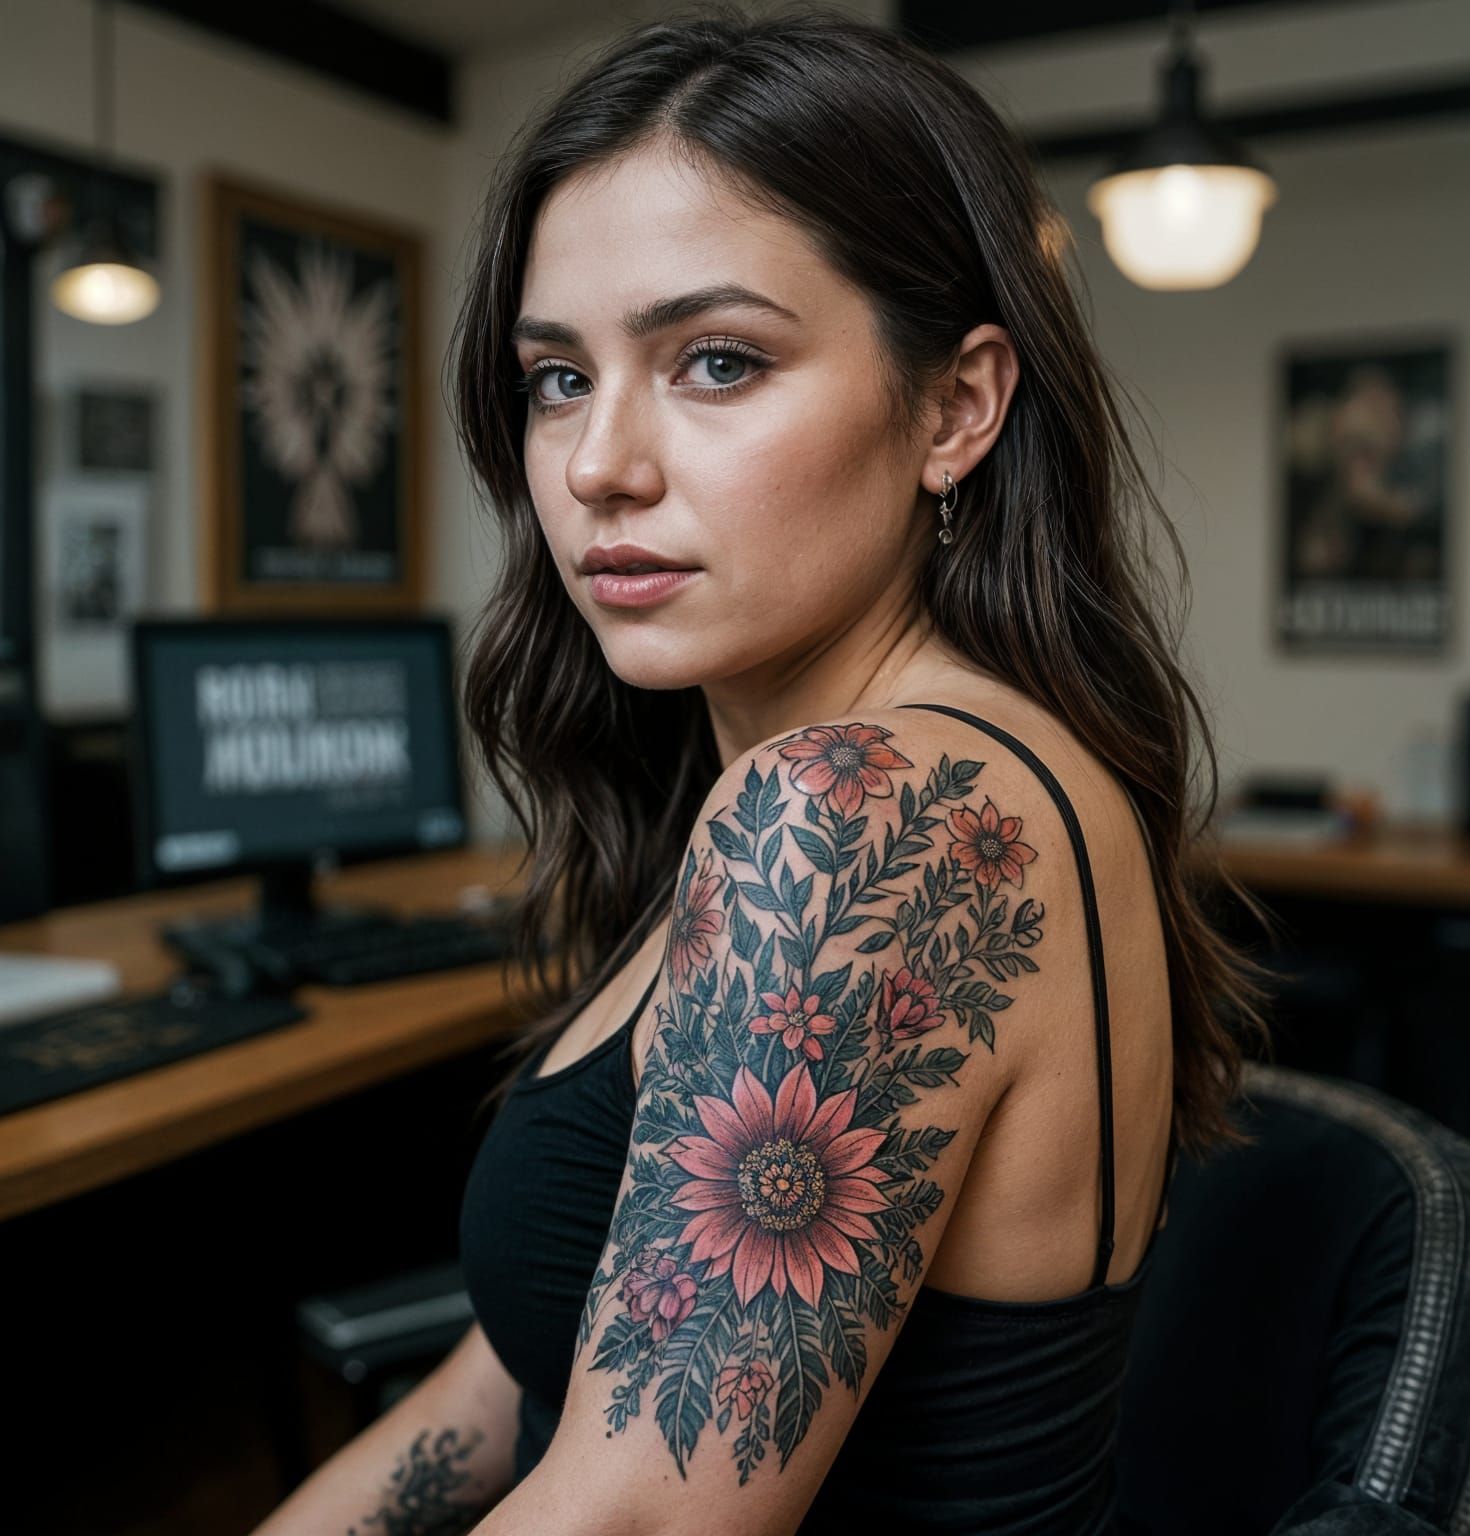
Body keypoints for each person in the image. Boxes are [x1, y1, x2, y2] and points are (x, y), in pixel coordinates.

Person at [251, 5, 1276, 1533]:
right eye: (555, 378)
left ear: (955, 406)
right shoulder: (827, 781)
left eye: (716, 362)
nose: (599, 464)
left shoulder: (863, 817)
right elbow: (499, 1390)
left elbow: (636, 1518)